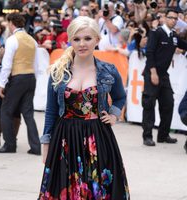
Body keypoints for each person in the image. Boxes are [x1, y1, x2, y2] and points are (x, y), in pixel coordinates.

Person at [38, 16, 130, 199]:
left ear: (97, 39)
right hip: (64, 138)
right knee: (65, 190)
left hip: (99, 138)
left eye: (87, 38)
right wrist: (46, 143)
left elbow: (120, 97)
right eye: (77, 38)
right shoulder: (58, 71)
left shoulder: (109, 70)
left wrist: (114, 115)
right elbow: (51, 111)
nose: (82, 44)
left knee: (98, 190)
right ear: (70, 40)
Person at [0, 13, 41, 155]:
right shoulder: (32, 40)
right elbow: (36, 64)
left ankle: (9, 145)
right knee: (28, 114)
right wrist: (33, 79)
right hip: (30, 77)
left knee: (6, 111)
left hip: (18, 78)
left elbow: (7, 64)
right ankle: (36, 146)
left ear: (11, 23)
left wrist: (2, 85)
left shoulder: (12, 39)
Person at [142, 8, 187, 146]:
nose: (173, 20)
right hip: (152, 73)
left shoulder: (173, 35)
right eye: (171, 18)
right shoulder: (156, 33)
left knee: (168, 104)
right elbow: (149, 53)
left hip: (164, 75)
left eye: (175, 19)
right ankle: (147, 137)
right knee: (149, 105)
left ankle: (163, 135)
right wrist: (153, 73)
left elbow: (184, 45)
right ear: (164, 18)